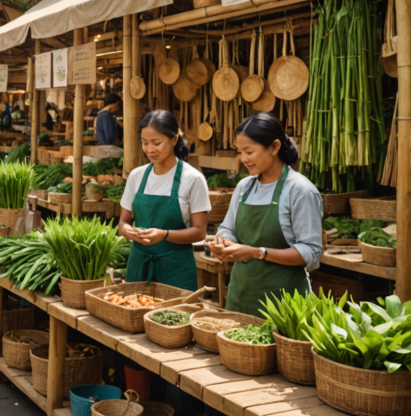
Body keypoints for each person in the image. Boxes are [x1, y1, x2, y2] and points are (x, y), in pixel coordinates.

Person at [210, 113, 321, 316]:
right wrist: (223, 242)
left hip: (285, 306)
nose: (244, 159)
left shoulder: (301, 191)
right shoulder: (245, 186)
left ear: (275, 147)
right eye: (241, 152)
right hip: (240, 298)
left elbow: (311, 253)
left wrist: (256, 252)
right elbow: (228, 228)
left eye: (249, 151)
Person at [118, 111, 210, 291]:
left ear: (174, 140)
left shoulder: (192, 179)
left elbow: (200, 232)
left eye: (156, 143)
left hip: (176, 270)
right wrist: (130, 232)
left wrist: (164, 235)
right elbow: (122, 223)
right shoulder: (137, 176)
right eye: (144, 143)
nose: (150, 149)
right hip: (139, 267)